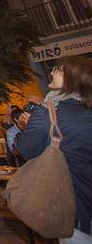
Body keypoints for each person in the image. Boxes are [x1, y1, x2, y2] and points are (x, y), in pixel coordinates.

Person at [15, 57, 92, 244]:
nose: (51, 72)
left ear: (72, 77)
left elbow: (24, 148)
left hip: (72, 205)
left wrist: (26, 126)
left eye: (57, 69)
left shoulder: (48, 113)